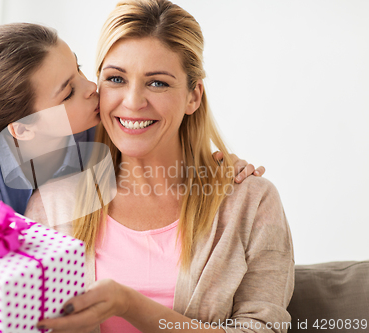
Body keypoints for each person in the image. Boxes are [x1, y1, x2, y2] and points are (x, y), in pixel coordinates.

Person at [0, 21, 264, 333]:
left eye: (79, 69)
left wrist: (216, 165)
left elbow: (161, 142)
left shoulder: (94, 129)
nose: (93, 87)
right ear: (24, 129)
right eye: (68, 91)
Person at [26, 1, 294, 332]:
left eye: (158, 83)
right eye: (116, 79)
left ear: (193, 96)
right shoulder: (52, 205)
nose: (134, 102)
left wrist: (131, 305)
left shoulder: (251, 202)